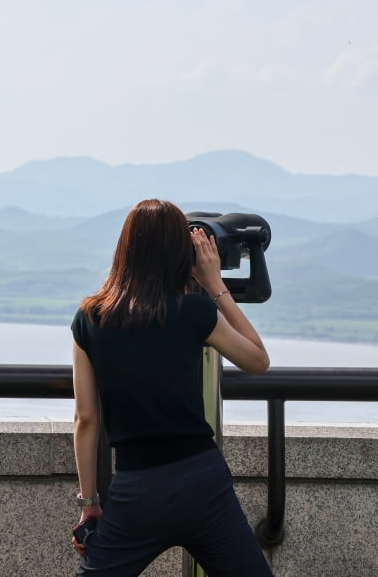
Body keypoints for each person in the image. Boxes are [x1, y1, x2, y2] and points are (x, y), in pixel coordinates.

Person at [69, 198, 273, 577]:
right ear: (181, 251)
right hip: (202, 483)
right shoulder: (194, 311)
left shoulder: (90, 317)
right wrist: (214, 284)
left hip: (136, 490)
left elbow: (86, 419)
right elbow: (257, 361)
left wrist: (89, 503)